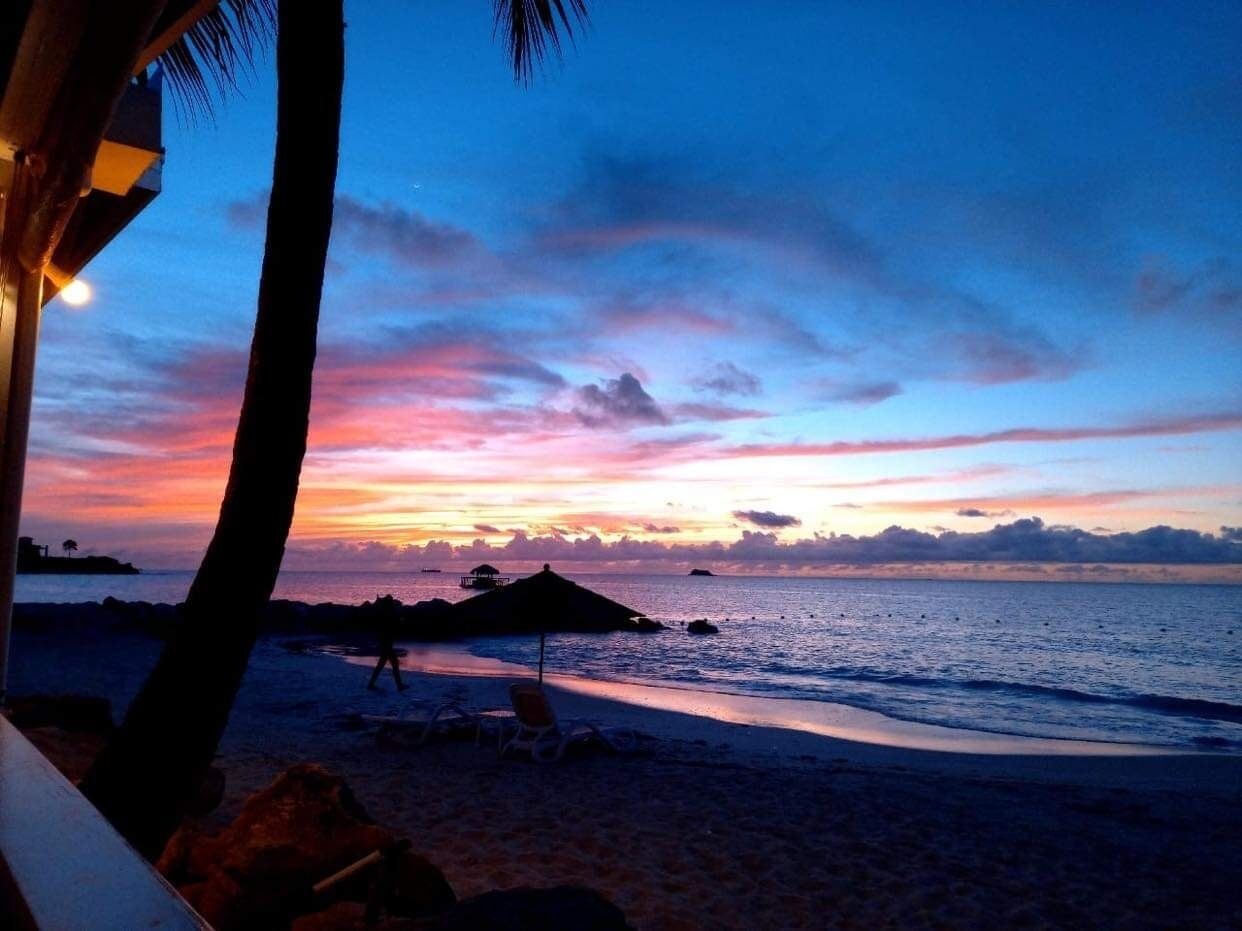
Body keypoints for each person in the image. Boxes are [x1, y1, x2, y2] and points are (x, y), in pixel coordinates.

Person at [366, 594, 408, 691]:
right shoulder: (388, 614)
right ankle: (399, 685)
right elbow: (391, 626)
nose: (393, 603)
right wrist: (400, 621)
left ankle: (372, 684)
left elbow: (387, 627)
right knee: (393, 663)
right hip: (387, 643)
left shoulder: (385, 613)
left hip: (385, 642)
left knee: (382, 665)